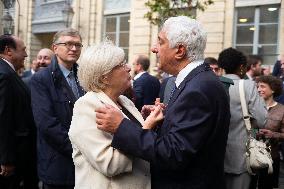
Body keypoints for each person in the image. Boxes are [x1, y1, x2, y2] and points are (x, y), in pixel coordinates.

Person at [95, 16, 231, 189]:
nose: (154, 49)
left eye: (160, 42)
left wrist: (121, 126)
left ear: (180, 50)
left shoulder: (198, 88)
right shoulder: (197, 81)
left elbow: (174, 153)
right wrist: (166, 118)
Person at [68, 40, 163, 189]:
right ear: (104, 76)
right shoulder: (86, 106)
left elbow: (133, 135)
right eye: (121, 64)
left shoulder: (124, 101)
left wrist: (149, 120)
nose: (129, 68)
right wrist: (147, 126)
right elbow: (110, 164)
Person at [30, 29, 84, 189]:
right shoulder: (41, 79)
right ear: (55, 48)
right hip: (58, 165)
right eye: (68, 44)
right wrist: (78, 151)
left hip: (85, 166)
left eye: (77, 45)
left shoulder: (85, 76)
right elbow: (47, 124)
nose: (73, 48)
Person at [217, 47, 267, 189]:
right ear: (241, 67)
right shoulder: (247, 85)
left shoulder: (213, 84)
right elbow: (262, 119)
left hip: (214, 154)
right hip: (240, 153)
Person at [0, 35, 37, 188]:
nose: (26, 55)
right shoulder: (5, 75)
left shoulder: (8, 72)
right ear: (9, 51)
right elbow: (3, 117)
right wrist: (6, 159)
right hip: (13, 156)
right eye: (23, 50)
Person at [249, 75, 284, 189]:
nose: (259, 89)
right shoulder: (250, 107)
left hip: (271, 157)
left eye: (263, 86)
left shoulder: (281, 110)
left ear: (273, 89)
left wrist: (272, 134)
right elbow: (244, 129)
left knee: (267, 186)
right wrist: (255, 133)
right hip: (251, 156)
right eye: (258, 87)